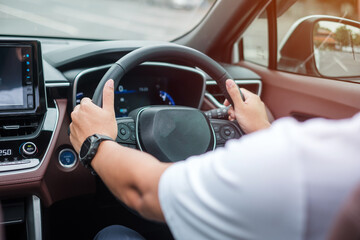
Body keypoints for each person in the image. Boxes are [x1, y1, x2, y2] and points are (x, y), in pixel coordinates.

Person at [70, 79, 360, 240]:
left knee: (113, 234)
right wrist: (262, 130)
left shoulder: (294, 161)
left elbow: (143, 191)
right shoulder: (311, 159)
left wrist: (95, 140)